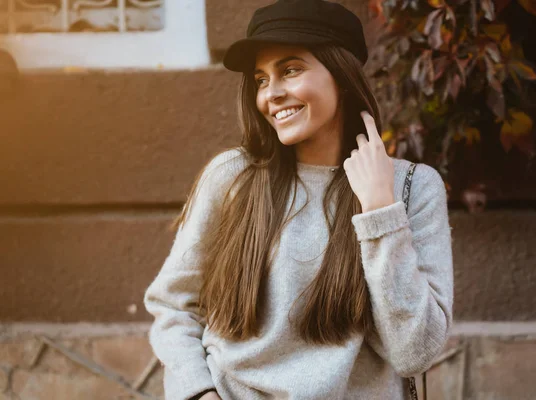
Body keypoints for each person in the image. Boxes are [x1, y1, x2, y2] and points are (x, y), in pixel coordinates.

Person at [143, 0, 454, 399]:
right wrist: (200, 393)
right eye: (260, 79)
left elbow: (414, 354)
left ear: (341, 75)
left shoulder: (413, 189)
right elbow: (174, 306)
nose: (271, 94)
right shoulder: (233, 178)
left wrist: (380, 212)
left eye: (290, 70)